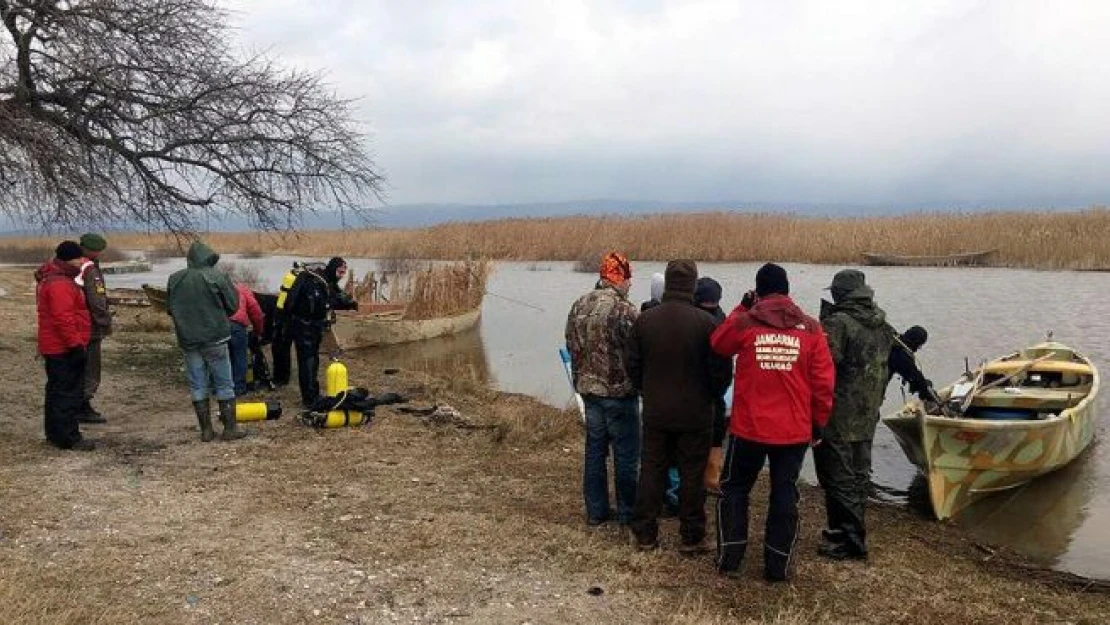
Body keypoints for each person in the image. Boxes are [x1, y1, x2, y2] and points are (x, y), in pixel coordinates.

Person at [710, 263, 835, 582]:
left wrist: (742, 305)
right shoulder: (810, 328)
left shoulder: (747, 322)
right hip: (793, 430)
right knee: (785, 493)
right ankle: (777, 565)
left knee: (735, 489)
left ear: (759, 291)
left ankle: (730, 557)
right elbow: (823, 383)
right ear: (787, 291)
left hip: (748, 428)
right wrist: (818, 423)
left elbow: (718, 342)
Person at [627, 260, 732, 552]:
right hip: (695, 412)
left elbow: (632, 363)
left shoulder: (645, 320)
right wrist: (711, 395)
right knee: (692, 474)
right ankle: (692, 536)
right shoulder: (707, 323)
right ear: (693, 284)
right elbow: (722, 371)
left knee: (651, 470)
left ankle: (645, 535)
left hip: (657, 410)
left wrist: (645, 389)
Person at [815, 268, 894, 561]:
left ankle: (848, 539)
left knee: (836, 476)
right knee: (859, 475)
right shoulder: (883, 325)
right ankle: (851, 532)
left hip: (838, 412)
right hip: (868, 412)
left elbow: (823, 366)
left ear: (841, 294)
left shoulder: (838, 323)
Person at [565, 251, 640, 527]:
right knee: (626, 455)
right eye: (628, 278)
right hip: (620, 394)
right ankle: (627, 513)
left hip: (589, 392)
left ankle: (596, 511)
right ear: (619, 278)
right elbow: (638, 352)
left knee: (595, 451)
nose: (630, 284)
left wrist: (579, 380)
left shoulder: (579, 305)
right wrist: (640, 385)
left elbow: (571, 344)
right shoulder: (625, 310)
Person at [167, 241, 246, 442]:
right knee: (224, 382)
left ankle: (206, 431)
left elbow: (170, 308)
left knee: (197, 384)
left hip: (188, 339)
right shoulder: (216, 276)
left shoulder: (174, 279)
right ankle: (230, 428)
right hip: (216, 337)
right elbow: (233, 305)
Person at [35, 241, 94, 451]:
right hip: (63, 347)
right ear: (70, 259)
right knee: (67, 393)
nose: (81, 262)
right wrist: (76, 345)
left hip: (55, 345)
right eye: (79, 258)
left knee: (56, 391)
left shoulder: (54, 278)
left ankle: (55, 433)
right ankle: (69, 437)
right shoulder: (60, 283)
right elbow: (63, 318)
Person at [282, 256, 358, 407]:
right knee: (308, 361)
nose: (341, 275)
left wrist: (349, 304)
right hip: (304, 326)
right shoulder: (315, 281)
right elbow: (324, 303)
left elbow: (333, 298)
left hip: (312, 326)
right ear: (332, 268)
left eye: (344, 272)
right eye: (339, 271)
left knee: (312, 360)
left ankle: (312, 394)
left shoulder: (325, 281)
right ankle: (309, 399)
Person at [693, 276, 730, 495]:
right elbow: (725, 366)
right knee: (715, 435)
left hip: (692, 391)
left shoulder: (689, 319)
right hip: (714, 392)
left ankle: (698, 479)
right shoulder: (721, 320)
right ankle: (711, 478)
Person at [76, 232, 112, 424]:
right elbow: (96, 299)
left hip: (76, 324)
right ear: (93, 250)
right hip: (89, 326)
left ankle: (77, 404)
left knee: (78, 366)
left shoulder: (74, 265)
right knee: (91, 368)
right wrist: (105, 320)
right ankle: (82, 405)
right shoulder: (90, 269)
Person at [271, 261, 304, 387]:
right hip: (287, 313)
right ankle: (282, 377)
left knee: (281, 347)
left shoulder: (289, 276)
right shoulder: (300, 279)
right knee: (282, 348)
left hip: (284, 313)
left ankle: (281, 378)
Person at [228, 281, 265, 396]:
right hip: (237, 326)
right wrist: (258, 331)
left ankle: (221, 388)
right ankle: (238, 387)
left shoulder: (217, 290)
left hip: (219, 325)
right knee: (240, 356)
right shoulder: (243, 290)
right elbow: (256, 312)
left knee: (222, 357)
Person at [888, 325, 936, 401]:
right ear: (915, 343)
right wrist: (926, 389)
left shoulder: (893, 340)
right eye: (919, 345)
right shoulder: (900, 355)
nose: (917, 349)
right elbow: (913, 375)